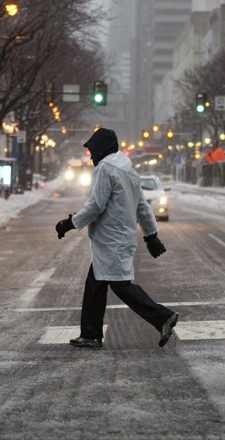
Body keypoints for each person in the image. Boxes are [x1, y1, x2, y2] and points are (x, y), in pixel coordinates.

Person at [56, 127, 179, 349]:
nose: (91, 157)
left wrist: (70, 223)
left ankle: (162, 317)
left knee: (121, 286)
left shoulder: (106, 169)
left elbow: (96, 205)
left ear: (102, 148)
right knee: (95, 285)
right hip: (118, 240)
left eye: (92, 151)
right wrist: (151, 235)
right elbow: (142, 206)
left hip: (111, 241)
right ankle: (91, 334)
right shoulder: (129, 171)